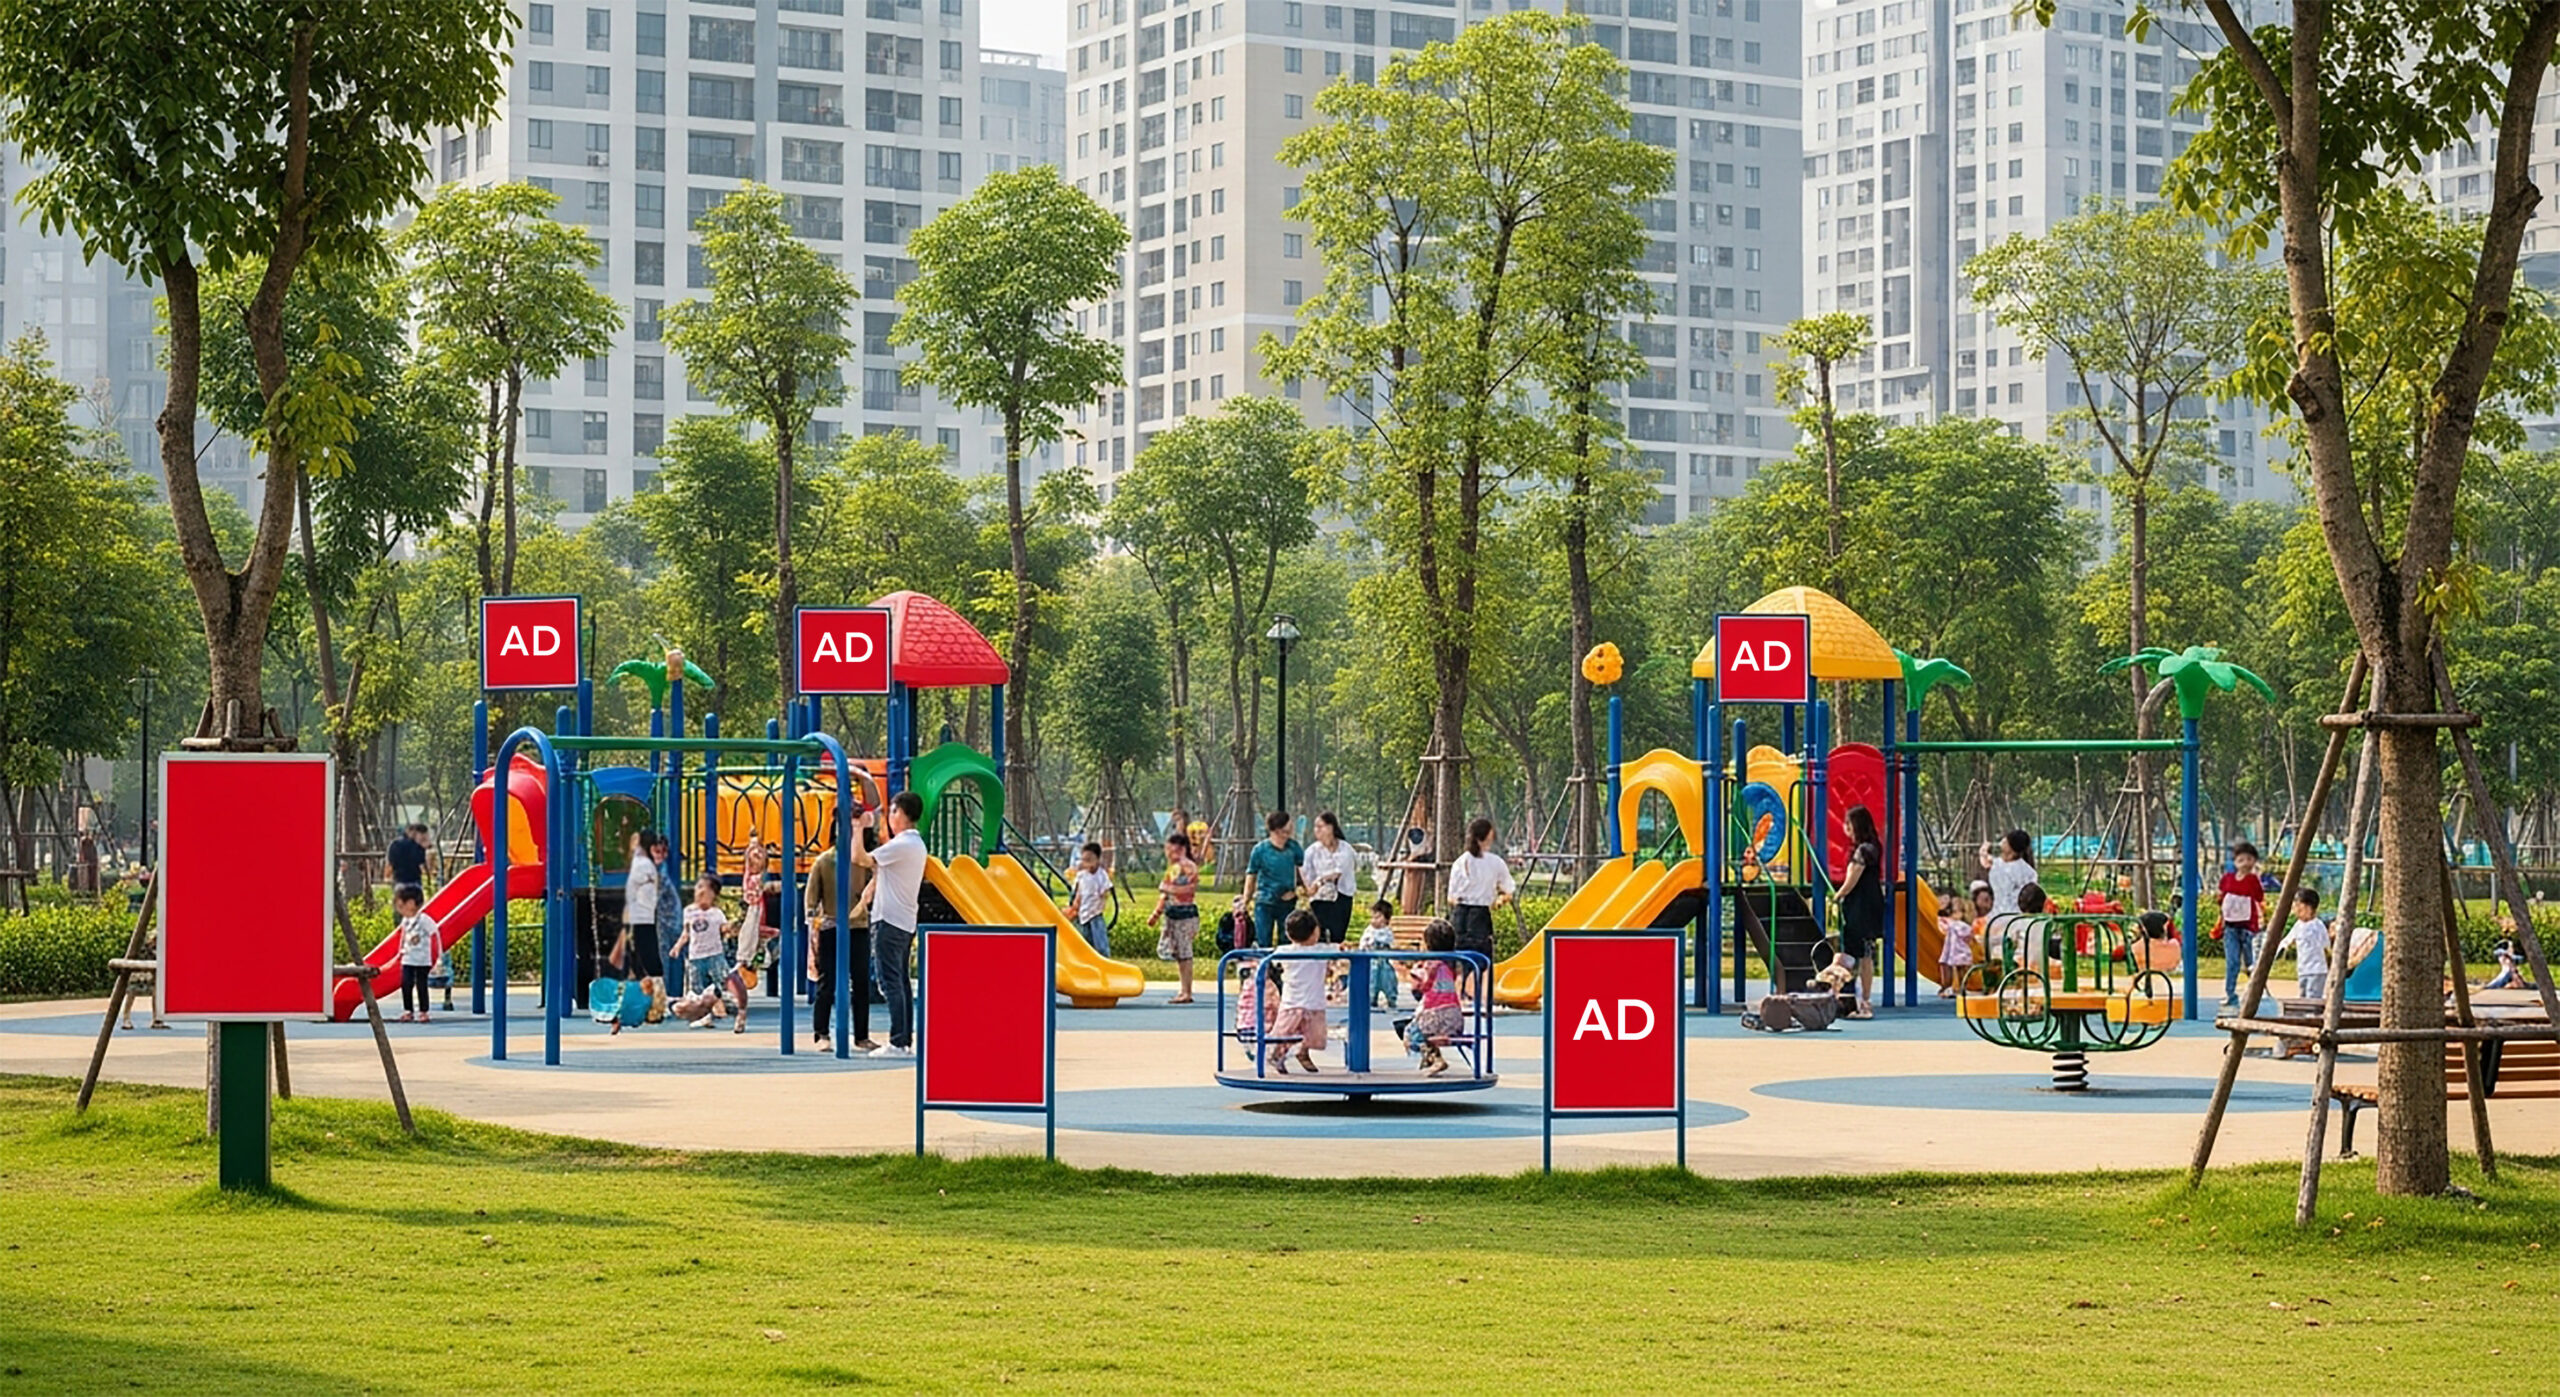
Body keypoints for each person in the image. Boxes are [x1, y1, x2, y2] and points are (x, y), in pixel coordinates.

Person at [853, 790, 928, 1057]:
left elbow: (860, 859)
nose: (890, 817)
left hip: (889, 920)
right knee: (901, 982)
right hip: (904, 920)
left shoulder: (902, 844)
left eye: (893, 811)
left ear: (902, 814)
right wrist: (866, 897)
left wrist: (857, 828)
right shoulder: (915, 845)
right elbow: (880, 873)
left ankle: (898, 1042)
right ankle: (903, 1039)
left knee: (890, 982)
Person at [805, 828, 879, 1052]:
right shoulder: (824, 861)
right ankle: (821, 1033)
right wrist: (813, 926)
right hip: (832, 925)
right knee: (828, 982)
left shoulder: (863, 860)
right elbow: (811, 897)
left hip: (858, 926)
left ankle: (861, 1035)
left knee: (861, 982)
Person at [1832, 805, 1887, 1019]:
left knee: (1860, 952)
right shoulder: (1873, 846)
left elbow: (1853, 877)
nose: (1845, 827)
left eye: (1848, 823)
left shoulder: (1864, 850)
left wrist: (1838, 895)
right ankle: (1852, 998)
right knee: (1860, 952)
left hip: (1862, 905)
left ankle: (1862, 1001)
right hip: (1867, 903)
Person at [1446, 818, 1515, 985]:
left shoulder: (1460, 862)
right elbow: (1509, 890)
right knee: (1481, 960)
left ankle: (1456, 991)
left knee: (1457, 957)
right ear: (1488, 837)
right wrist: (1499, 901)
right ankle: (1479, 994)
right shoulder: (1495, 862)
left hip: (1460, 915)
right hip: (1480, 915)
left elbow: (1451, 897)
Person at [1265, 909, 1329, 1074]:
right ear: (1316, 932)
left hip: (1294, 1001)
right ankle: (1279, 1054)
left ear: (1288, 934)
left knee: (1285, 1033)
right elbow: (1341, 952)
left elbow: (1272, 961)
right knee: (1313, 1035)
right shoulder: (1323, 950)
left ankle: (1296, 1052)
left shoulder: (1284, 951)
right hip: (1308, 1002)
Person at [1238, 810, 1307, 949]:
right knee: (1263, 940)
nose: (1291, 827)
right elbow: (1251, 875)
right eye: (1288, 824)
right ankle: (1265, 962)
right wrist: (1245, 900)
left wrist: (1306, 890)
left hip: (1287, 901)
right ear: (1277, 829)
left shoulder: (1293, 847)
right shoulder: (1260, 850)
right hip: (1265, 901)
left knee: (1286, 940)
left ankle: (1282, 962)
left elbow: (1303, 870)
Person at [1146, 830, 1201, 1003]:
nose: (1168, 854)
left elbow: (1187, 889)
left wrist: (1168, 889)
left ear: (1181, 849)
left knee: (1184, 953)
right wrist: (1157, 913)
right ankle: (1184, 989)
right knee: (1179, 953)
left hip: (1184, 914)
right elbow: (1165, 895)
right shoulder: (1175, 868)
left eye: (1171, 850)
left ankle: (1186, 991)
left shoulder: (1186, 867)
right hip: (1174, 912)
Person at [1405, 918, 1464, 1076]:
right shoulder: (1453, 963)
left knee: (1410, 1033)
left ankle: (1435, 1058)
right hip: (1454, 1016)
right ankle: (1430, 1058)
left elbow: (1423, 986)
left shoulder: (1431, 964)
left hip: (1437, 1016)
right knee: (1419, 1026)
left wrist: (1414, 972)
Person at [2217, 840, 2271, 1009]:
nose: (2245, 863)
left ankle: (2257, 991)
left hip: (2247, 927)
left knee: (2250, 962)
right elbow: (2221, 896)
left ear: (2254, 861)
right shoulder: (2228, 879)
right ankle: (2230, 993)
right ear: (2235, 862)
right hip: (2230, 927)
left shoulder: (2253, 880)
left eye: (2249, 859)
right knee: (2232, 961)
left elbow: (2259, 897)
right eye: (2241, 859)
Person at [678, 875, 733, 1028]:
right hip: (696, 955)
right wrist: (678, 947)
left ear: (713, 895)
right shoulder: (688, 911)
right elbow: (686, 932)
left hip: (714, 954)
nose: (699, 892)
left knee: (718, 981)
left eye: (704, 889)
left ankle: (717, 1004)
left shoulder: (717, 913)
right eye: (698, 888)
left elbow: (724, 929)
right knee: (697, 987)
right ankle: (704, 1015)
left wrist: (730, 928)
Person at [1303, 812, 1358, 944]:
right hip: (1319, 898)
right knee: (1319, 935)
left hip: (1341, 896)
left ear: (1331, 827)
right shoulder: (1312, 851)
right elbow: (1306, 874)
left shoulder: (1345, 849)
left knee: (1337, 935)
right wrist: (1309, 888)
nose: (1317, 830)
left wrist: (1320, 880)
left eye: (1320, 826)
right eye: (1315, 827)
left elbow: (1338, 872)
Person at [619, 830, 665, 983]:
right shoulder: (642, 861)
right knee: (642, 952)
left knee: (647, 953)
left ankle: (657, 985)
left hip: (642, 915)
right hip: (640, 915)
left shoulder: (642, 863)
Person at [395, 886, 437, 1023]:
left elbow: (434, 935)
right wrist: (400, 952)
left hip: (422, 959)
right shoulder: (405, 920)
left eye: (401, 906)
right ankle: (408, 1010)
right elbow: (403, 936)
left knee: (421, 985)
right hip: (408, 958)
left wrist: (437, 957)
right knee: (406, 983)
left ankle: (423, 1011)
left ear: (411, 904)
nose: (399, 909)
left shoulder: (424, 920)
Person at [650, 834, 684, 993]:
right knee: (669, 954)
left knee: (666, 955)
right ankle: (670, 991)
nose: (659, 856)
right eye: (655, 852)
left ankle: (667, 992)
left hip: (668, 919)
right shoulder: (658, 870)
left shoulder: (660, 872)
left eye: (661, 852)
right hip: (667, 917)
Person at [1977, 829, 2036, 916]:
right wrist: (1983, 853)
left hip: (2005, 915)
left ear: (2010, 849)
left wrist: (1983, 852)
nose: (2003, 841)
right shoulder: (2029, 872)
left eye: (2006, 841)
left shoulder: (2000, 867)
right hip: (2014, 916)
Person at [1072, 842, 1113, 958]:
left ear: (1098, 859)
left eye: (1090, 860)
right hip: (1083, 913)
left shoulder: (1101, 875)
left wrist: (1103, 898)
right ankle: (1088, 958)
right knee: (1086, 939)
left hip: (1095, 913)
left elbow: (1105, 890)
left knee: (1100, 940)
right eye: (1084, 860)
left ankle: (1104, 958)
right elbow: (1079, 891)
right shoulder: (1081, 875)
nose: (1087, 863)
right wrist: (1076, 904)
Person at [1358, 898, 1400, 1008]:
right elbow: (1363, 942)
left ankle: (1391, 998)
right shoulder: (1369, 930)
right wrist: (1365, 945)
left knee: (1388, 981)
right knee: (1371, 982)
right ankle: (1372, 999)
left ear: (1386, 919)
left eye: (1377, 917)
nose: (1374, 920)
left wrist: (1376, 940)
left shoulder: (1387, 931)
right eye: (1372, 917)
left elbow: (1388, 941)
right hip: (1371, 962)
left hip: (1384, 962)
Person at [1935, 901, 1975, 998]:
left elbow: (1967, 934)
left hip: (1959, 951)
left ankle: (1960, 988)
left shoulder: (1958, 925)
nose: (1953, 914)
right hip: (1954, 951)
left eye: (1956, 911)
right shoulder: (1953, 924)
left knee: (1960, 969)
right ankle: (1951, 987)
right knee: (1950, 967)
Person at [385, 822, 431, 898]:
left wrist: (387, 877)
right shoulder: (417, 846)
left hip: (399, 882)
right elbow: (424, 866)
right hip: (415, 882)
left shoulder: (394, 844)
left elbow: (390, 864)